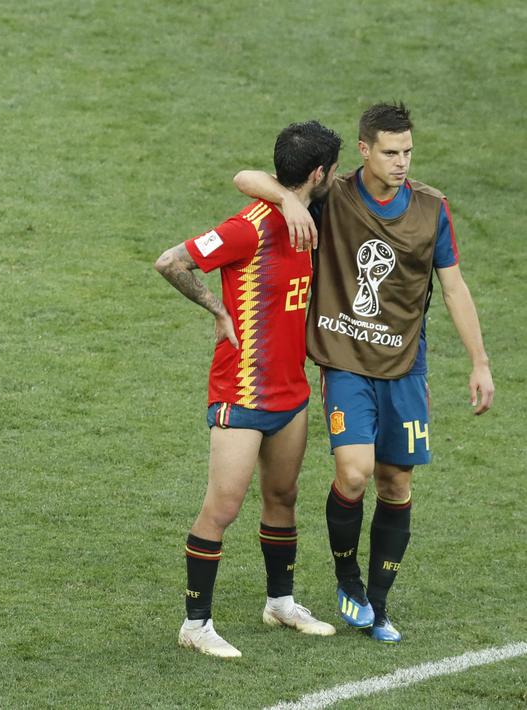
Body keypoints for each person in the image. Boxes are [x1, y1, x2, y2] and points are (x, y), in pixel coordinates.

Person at [234, 102, 495, 643]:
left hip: (404, 366)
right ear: (364, 150)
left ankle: (377, 605)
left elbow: (453, 286)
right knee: (354, 473)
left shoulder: (431, 209)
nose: (401, 162)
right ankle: (347, 576)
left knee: (395, 482)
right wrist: (287, 199)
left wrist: (480, 362)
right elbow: (246, 177)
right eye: (390, 152)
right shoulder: (337, 195)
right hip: (345, 361)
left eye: (408, 152)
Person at [155, 121, 343, 658]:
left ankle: (280, 602)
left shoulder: (314, 216)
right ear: (319, 173)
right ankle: (195, 625)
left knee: (283, 498)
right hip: (240, 394)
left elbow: (249, 174)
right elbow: (171, 261)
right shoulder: (250, 228)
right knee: (223, 505)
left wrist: (291, 201)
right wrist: (217, 309)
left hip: (291, 394)